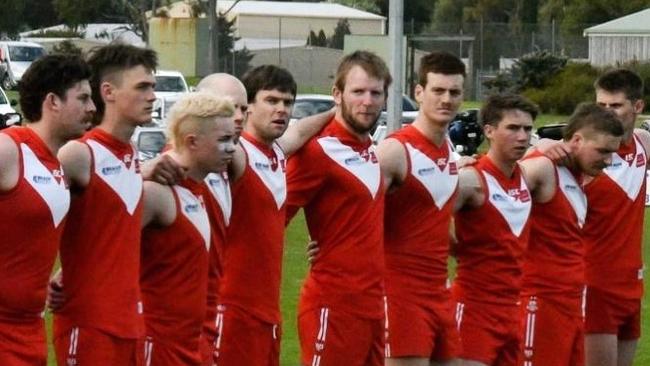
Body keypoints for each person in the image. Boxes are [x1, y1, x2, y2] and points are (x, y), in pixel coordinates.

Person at [214, 65, 328, 366]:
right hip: (231, 307)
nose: (281, 110)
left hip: (268, 313)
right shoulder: (236, 153)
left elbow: (302, 130)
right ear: (247, 107)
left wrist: (342, 109)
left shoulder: (276, 151)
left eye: (288, 103)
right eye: (272, 100)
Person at [52, 43, 158, 365]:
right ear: (108, 92)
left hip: (131, 325)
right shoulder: (79, 154)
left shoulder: (132, 156)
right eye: (142, 87)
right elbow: (30, 211)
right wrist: (40, 270)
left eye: (152, 86)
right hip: (89, 326)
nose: (153, 96)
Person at [286, 50, 390, 366]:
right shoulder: (318, 151)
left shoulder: (370, 150)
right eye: (358, 92)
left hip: (373, 307)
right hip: (333, 305)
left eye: (376, 93)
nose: (367, 101)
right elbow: (269, 213)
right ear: (337, 94)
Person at [0, 54, 94, 365]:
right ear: (52, 101)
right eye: (82, 98)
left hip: (32, 330)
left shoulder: (60, 164)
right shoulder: (10, 149)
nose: (91, 108)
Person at [376, 51, 464, 366]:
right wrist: (329, 245)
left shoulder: (449, 153)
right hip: (401, 295)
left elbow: (436, 220)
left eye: (454, 92)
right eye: (438, 91)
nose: (446, 99)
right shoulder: (395, 151)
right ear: (419, 92)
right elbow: (357, 212)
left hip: (440, 292)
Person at [518, 103, 623, 366]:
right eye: (602, 151)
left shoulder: (575, 175)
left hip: (571, 305)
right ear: (576, 140)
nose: (608, 161)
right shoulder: (543, 166)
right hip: (539, 303)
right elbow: (496, 184)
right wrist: (536, 148)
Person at [140, 92, 236, 365]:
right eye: (223, 140)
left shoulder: (201, 189)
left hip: (194, 339)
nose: (232, 148)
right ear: (192, 141)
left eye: (233, 139)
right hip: (158, 342)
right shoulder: (158, 193)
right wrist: (66, 275)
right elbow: (107, 240)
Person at [452, 94, 537, 366]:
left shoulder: (525, 174)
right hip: (474, 311)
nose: (522, 136)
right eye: (512, 128)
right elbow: (420, 220)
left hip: (513, 311)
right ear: (489, 130)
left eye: (527, 129)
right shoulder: (470, 179)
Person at [583, 69, 650, 366]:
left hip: (632, 284)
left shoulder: (644, 143)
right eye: (601, 106)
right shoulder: (581, 154)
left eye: (615, 106)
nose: (606, 113)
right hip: (593, 283)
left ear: (637, 107)